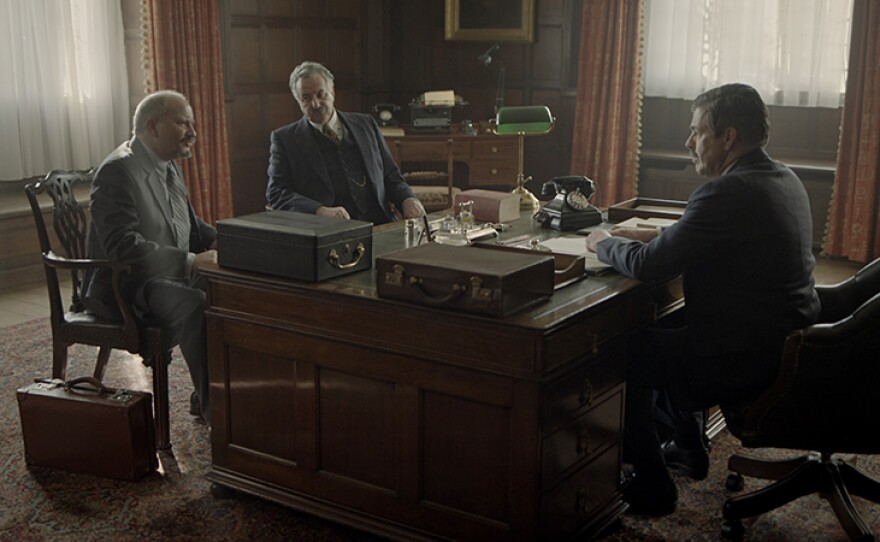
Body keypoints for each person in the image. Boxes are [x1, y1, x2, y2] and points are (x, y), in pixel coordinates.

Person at [585, 83, 820, 516]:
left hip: (743, 360)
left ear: (728, 137)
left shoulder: (726, 192)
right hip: (783, 344)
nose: (688, 142)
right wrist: (655, 234)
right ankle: (689, 449)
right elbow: (721, 239)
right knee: (670, 326)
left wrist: (602, 242)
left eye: (697, 132)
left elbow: (650, 267)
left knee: (626, 353)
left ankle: (653, 488)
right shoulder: (781, 176)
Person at [82, 90, 217, 424]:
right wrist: (190, 262)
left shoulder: (169, 165)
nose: (193, 132)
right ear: (153, 127)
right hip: (126, 286)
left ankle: (210, 395)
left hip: (162, 276)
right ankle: (221, 418)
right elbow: (122, 245)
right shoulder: (117, 171)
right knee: (195, 304)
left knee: (234, 289)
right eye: (183, 122)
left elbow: (190, 227)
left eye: (192, 122)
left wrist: (240, 241)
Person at [266, 61, 425, 223]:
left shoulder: (366, 124)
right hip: (326, 231)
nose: (315, 104)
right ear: (298, 101)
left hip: (379, 224)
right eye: (306, 98)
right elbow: (276, 192)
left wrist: (407, 199)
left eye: (321, 95)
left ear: (332, 92)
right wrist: (318, 210)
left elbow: (391, 175)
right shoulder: (285, 139)